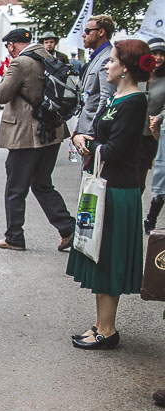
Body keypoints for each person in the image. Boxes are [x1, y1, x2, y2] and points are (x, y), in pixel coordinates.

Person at [68, 40, 154, 349]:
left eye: (113, 60)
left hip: (117, 191)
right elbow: (101, 138)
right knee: (98, 257)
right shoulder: (116, 98)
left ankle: (108, 330)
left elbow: (116, 150)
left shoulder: (134, 102)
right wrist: (83, 138)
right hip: (103, 186)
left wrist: (86, 143)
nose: (107, 65)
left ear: (126, 67)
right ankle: (101, 325)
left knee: (108, 259)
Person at [0, 28, 75, 252]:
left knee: (15, 189)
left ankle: (14, 237)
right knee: (42, 184)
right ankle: (68, 228)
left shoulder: (20, 63)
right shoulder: (49, 57)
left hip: (27, 134)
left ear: (11, 45)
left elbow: (2, 95)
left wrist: (5, 73)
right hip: (52, 130)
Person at [75, 15, 117, 138]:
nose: (83, 35)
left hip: (93, 133)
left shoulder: (108, 58)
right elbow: (88, 99)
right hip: (85, 129)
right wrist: (78, 127)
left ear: (101, 32)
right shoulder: (98, 57)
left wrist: (92, 132)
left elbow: (106, 99)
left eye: (87, 31)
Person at [147, 38, 165, 232]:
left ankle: (151, 219)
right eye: (155, 53)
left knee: (162, 179)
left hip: (157, 134)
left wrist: (159, 117)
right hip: (136, 133)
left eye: (162, 54)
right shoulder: (138, 75)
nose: (158, 58)